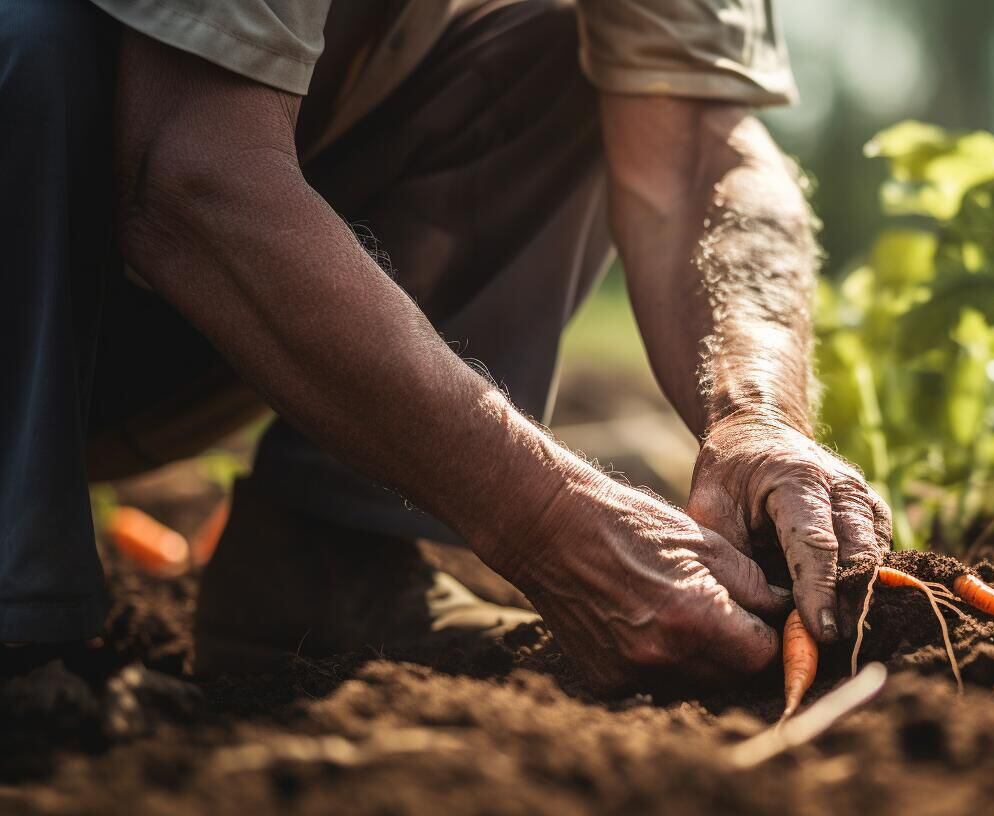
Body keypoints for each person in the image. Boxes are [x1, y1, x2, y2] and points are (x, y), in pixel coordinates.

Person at [0, 0, 891, 690]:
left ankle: (327, 556)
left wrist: (757, 413)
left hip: (162, 311)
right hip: (83, 233)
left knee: (564, 51)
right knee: (32, 43)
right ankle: (20, 627)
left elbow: (701, 145)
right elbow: (188, 168)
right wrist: (546, 520)